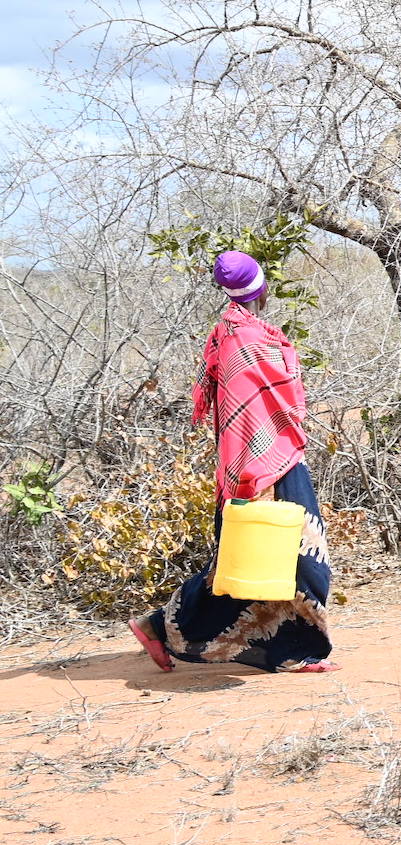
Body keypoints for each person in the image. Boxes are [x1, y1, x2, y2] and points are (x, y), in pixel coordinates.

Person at [128, 250, 336, 674]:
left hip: (261, 458)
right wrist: (255, 476)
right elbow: (252, 410)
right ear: (261, 287)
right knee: (291, 558)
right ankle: (162, 626)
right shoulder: (246, 338)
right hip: (261, 466)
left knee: (257, 561)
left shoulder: (232, 333)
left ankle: (289, 649)